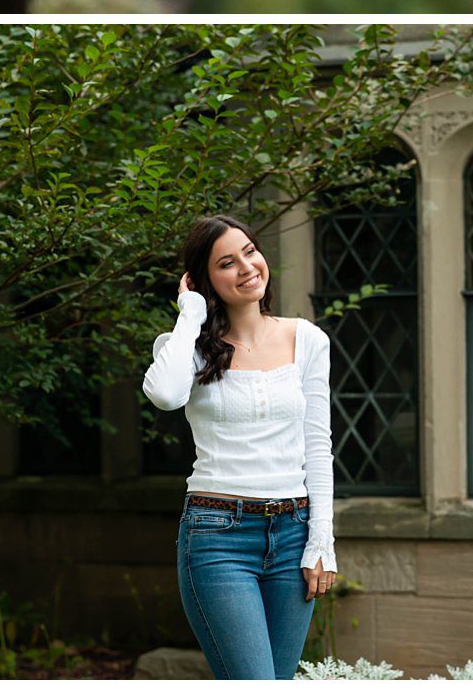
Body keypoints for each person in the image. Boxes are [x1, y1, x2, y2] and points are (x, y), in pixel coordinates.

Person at [141, 215, 337, 680]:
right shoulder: (185, 345)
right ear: (205, 280)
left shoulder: (307, 339)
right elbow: (166, 395)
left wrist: (321, 540)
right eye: (226, 263)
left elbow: (318, 443)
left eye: (250, 251)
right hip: (217, 536)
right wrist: (189, 313)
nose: (247, 267)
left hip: (293, 534)